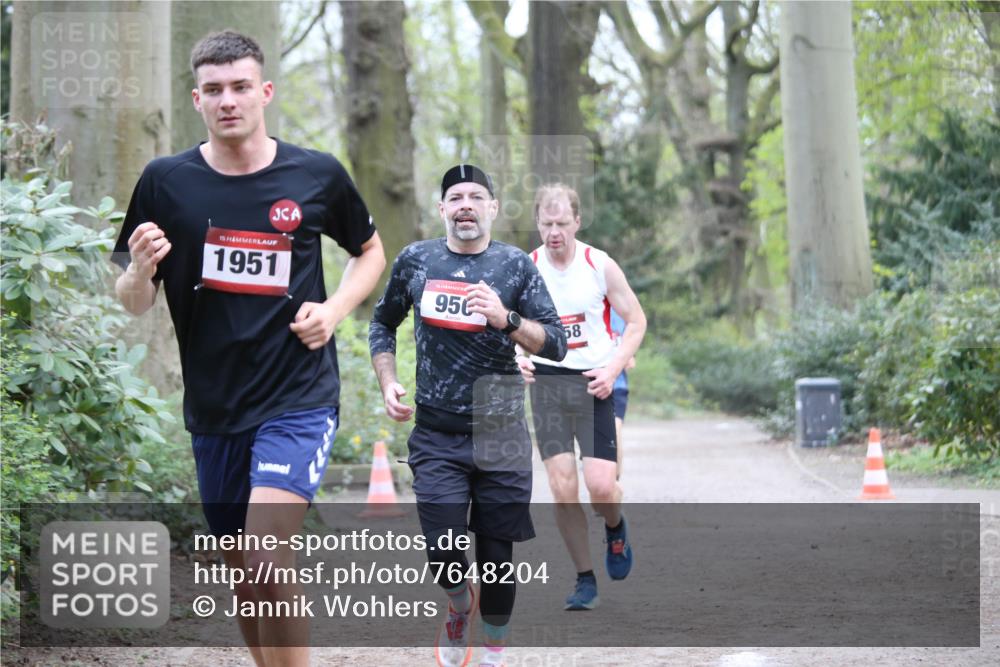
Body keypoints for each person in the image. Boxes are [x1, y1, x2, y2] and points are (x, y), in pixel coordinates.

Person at [112, 31, 385, 667]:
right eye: (214, 90)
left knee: (267, 553)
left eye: (240, 87)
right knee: (244, 567)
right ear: (196, 99)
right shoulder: (165, 182)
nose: (228, 100)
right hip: (214, 406)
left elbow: (370, 251)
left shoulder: (315, 174)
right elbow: (132, 300)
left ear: (264, 92)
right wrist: (139, 271)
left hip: (297, 395)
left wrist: (334, 310)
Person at [369, 164, 567, 667]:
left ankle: (494, 651)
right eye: (455, 197)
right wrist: (388, 381)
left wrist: (507, 320)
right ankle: (459, 605)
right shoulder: (417, 261)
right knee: (444, 549)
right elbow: (382, 323)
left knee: (498, 558)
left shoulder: (516, 266)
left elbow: (557, 343)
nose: (465, 204)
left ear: (492, 208)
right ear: (441, 209)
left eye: (476, 196)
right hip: (436, 434)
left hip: (501, 436)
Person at [516, 183, 646, 611]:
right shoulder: (525, 267)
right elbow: (506, 325)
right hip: (549, 385)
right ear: (537, 222)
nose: (554, 232)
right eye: (546, 223)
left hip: (594, 381)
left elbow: (636, 322)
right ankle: (584, 579)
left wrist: (612, 367)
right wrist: (517, 355)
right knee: (562, 486)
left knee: (601, 486)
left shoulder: (599, 265)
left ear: (577, 221)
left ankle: (614, 525)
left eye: (562, 223)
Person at [609, 308, 636, 480]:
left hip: (616, 385)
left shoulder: (620, 311)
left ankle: (613, 481)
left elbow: (630, 360)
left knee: (614, 429)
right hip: (583, 383)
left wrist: (628, 355)